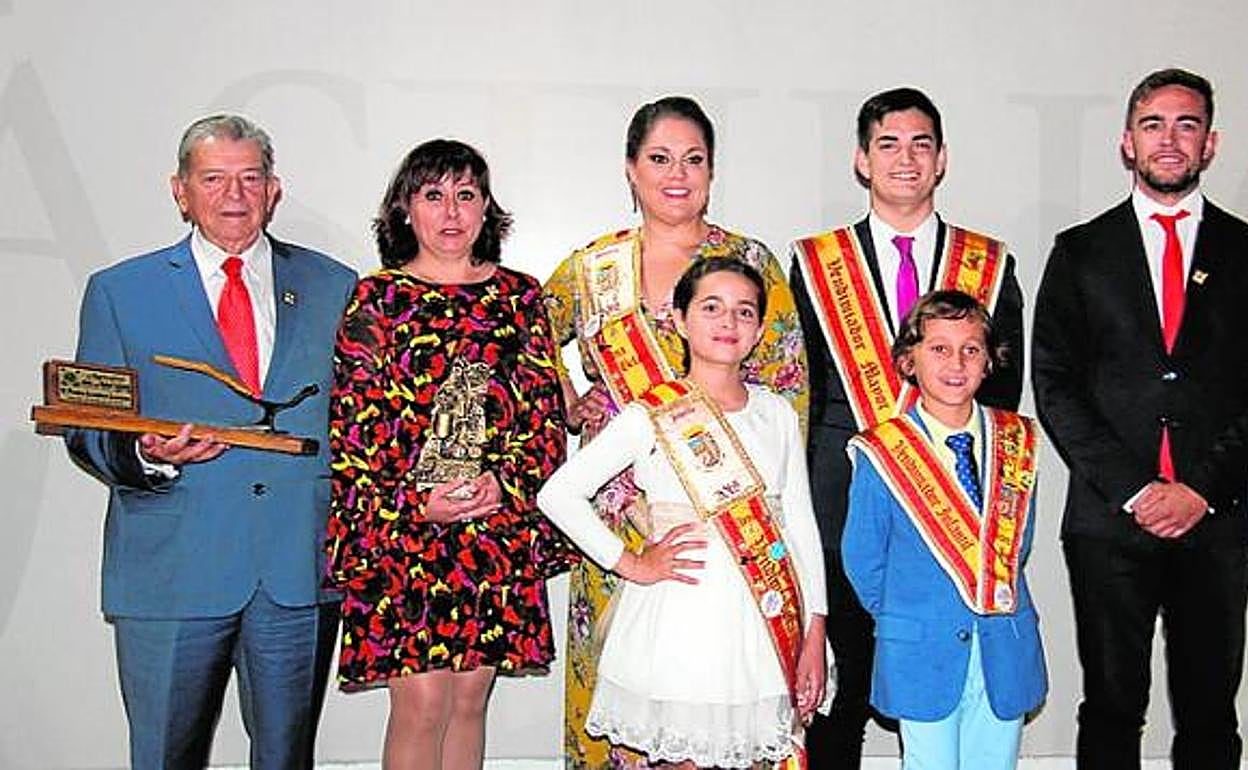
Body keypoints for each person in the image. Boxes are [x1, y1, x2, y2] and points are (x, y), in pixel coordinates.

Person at [65, 114, 356, 769]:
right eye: (214, 179)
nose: (234, 195)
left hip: (296, 569)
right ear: (181, 190)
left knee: (287, 759)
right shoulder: (120, 291)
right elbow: (86, 426)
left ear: (273, 190)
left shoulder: (335, 286)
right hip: (171, 569)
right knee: (166, 756)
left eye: (250, 178)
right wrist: (146, 455)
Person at [543, 95, 808, 770]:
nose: (677, 174)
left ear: (712, 171)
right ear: (631, 168)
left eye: (693, 159)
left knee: (728, 711)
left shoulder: (748, 260)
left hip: (731, 526)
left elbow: (787, 386)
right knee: (622, 700)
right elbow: (520, 337)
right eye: (659, 158)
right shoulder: (594, 267)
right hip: (618, 517)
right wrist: (568, 397)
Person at [787, 86, 1024, 769]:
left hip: (958, 516)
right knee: (838, 699)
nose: (906, 158)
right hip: (844, 510)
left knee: (953, 696)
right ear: (862, 160)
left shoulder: (989, 264)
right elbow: (802, 393)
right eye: (887, 143)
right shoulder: (815, 262)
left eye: (922, 143)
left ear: (942, 158)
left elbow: (1002, 394)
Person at [325, 138, 571, 770]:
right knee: (423, 704)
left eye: (466, 194)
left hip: (493, 527)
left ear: (487, 207)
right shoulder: (376, 298)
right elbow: (355, 424)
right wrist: (414, 502)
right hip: (404, 531)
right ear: (406, 210)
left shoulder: (520, 297)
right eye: (433, 195)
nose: (452, 212)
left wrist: (504, 485)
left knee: (468, 701)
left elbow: (543, 415)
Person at [1032, 68, 1248, 770]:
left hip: (1217, 520)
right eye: (1153, 124)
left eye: (1187, 125)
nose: (1169, 139)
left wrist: (1202, 488)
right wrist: (1135, 488)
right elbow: (1055, 385)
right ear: (1128, 142)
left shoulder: (1246, 251)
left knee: (1211, 711)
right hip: (1109, 521)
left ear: (1210, 143)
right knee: (1111, 707)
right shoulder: (1080, 252)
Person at [843, 290, 1046, 770]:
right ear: (908, 360)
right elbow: (863, 558)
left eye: (971, 349)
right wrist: (905, 615)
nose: (956, 363)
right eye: (939, 348)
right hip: (920, 649)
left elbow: (1019, 544)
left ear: (989, 362)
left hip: (1003, 646)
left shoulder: (1016, 441)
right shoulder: (882, 451)